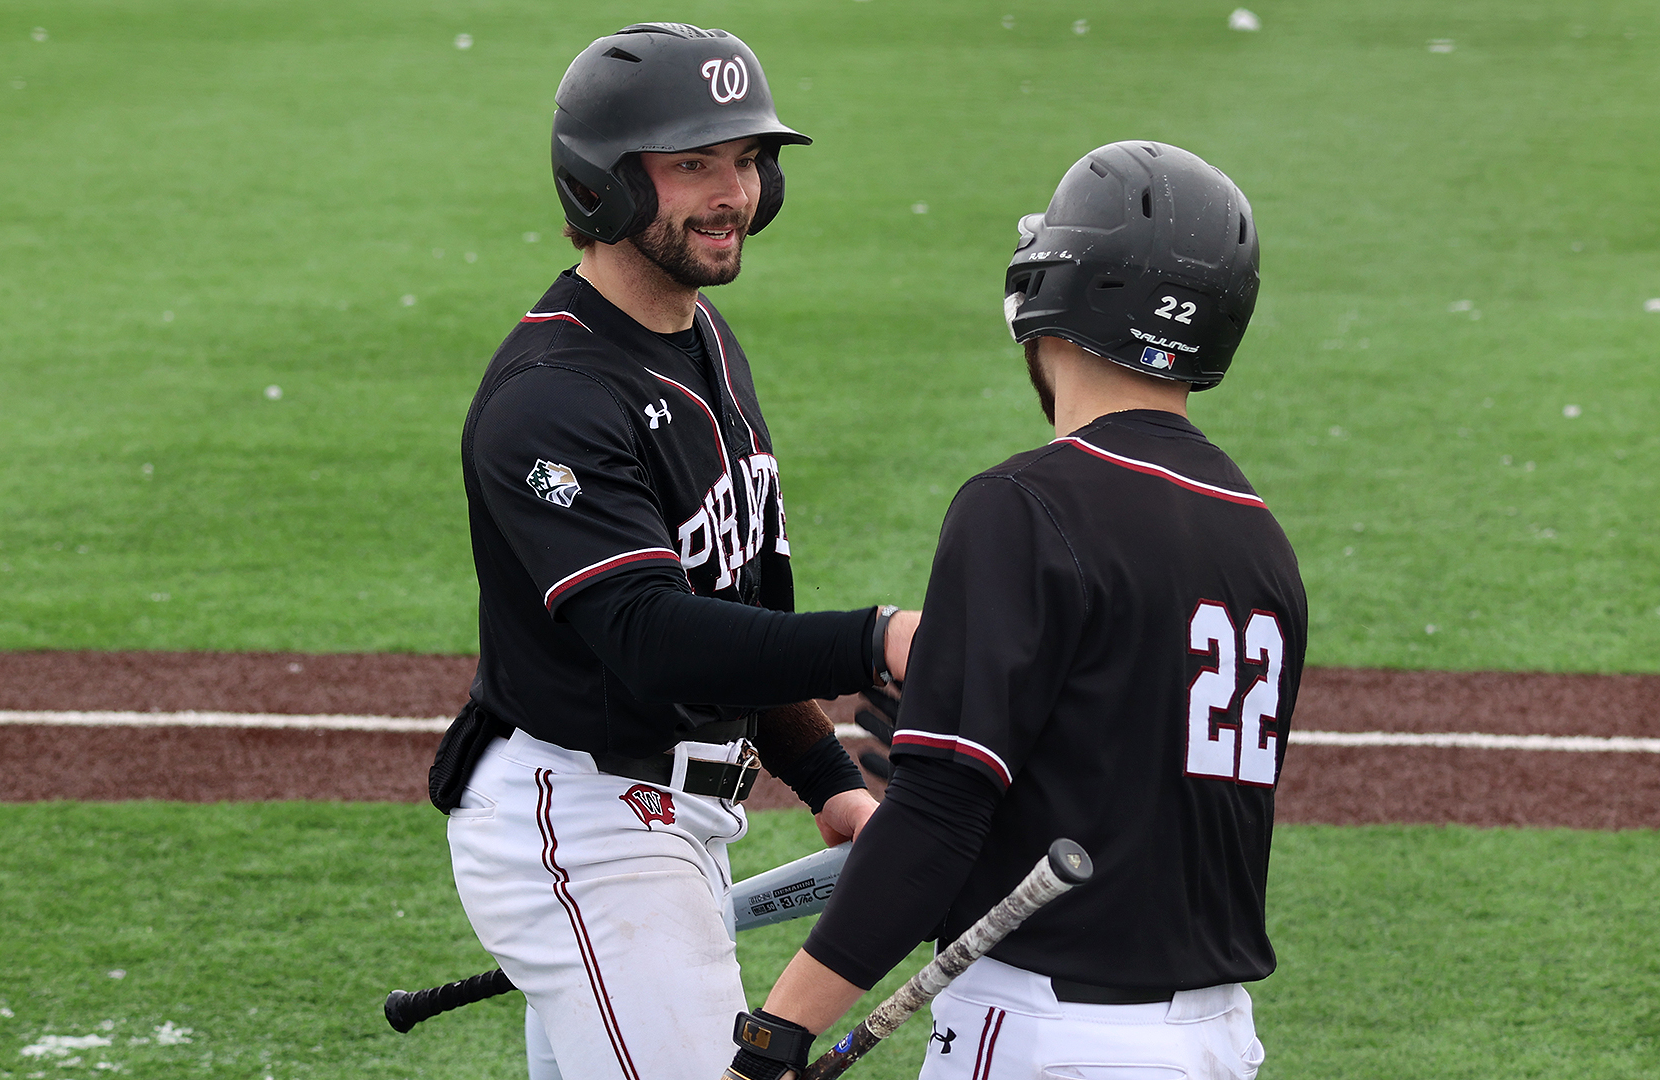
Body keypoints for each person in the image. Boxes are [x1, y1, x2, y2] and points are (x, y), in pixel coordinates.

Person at [724, 141, 1307, 1080]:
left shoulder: (1028, 505)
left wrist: (775, 1034)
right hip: (1215, 1042)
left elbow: (940, 814)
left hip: (1052, 1037)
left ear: (1061, 290)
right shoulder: (1257, 537)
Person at [436, 23, 920, 1080]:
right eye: (694, 163)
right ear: (602, 184)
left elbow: (741, 623)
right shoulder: (552, 401)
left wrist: (831, 780)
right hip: (590, 827)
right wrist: (881, 642)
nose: (733, 194)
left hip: (674, 820)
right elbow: (653, 638)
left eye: (746, 161)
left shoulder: (699, 337)